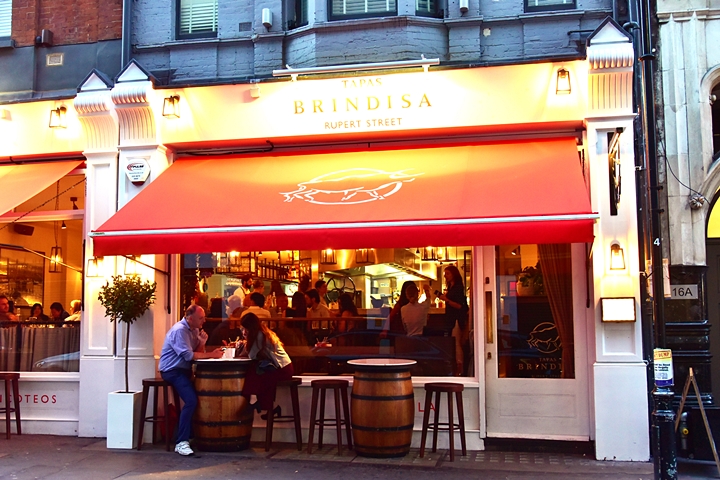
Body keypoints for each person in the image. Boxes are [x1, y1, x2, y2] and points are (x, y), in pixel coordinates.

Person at [159, 305, 223, 456]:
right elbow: (188, 356)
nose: (204, 321)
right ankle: (181, 442)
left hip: (184, 370)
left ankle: (190, 435)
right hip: (172, 370)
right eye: (201, 318)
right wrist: (212, 354)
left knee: (198, 398)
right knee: (191, 400)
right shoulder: (180, 330)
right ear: (190, 318)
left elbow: (196, 355)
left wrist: (201, 343)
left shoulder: (194, 330)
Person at [239, 312, 293, 418]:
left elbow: (252, 356)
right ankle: (269, 406)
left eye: (245, 329)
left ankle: (254, 401)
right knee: (258, 372)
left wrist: (245, 343)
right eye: (242, 329)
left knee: (258, 373)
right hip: (282, 367)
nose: (244, 331)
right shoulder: (263, 332)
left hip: (283, 368)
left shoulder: (260, 335)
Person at [436, 265, 469, 334]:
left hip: (456, 318)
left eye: (447, 273)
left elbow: (459, 306)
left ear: (454, 275)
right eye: (445, 274)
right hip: (451, 318)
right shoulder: (451, 287)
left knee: (455, 337)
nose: (445, 276)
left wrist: (446, 299)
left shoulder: (458, 288)